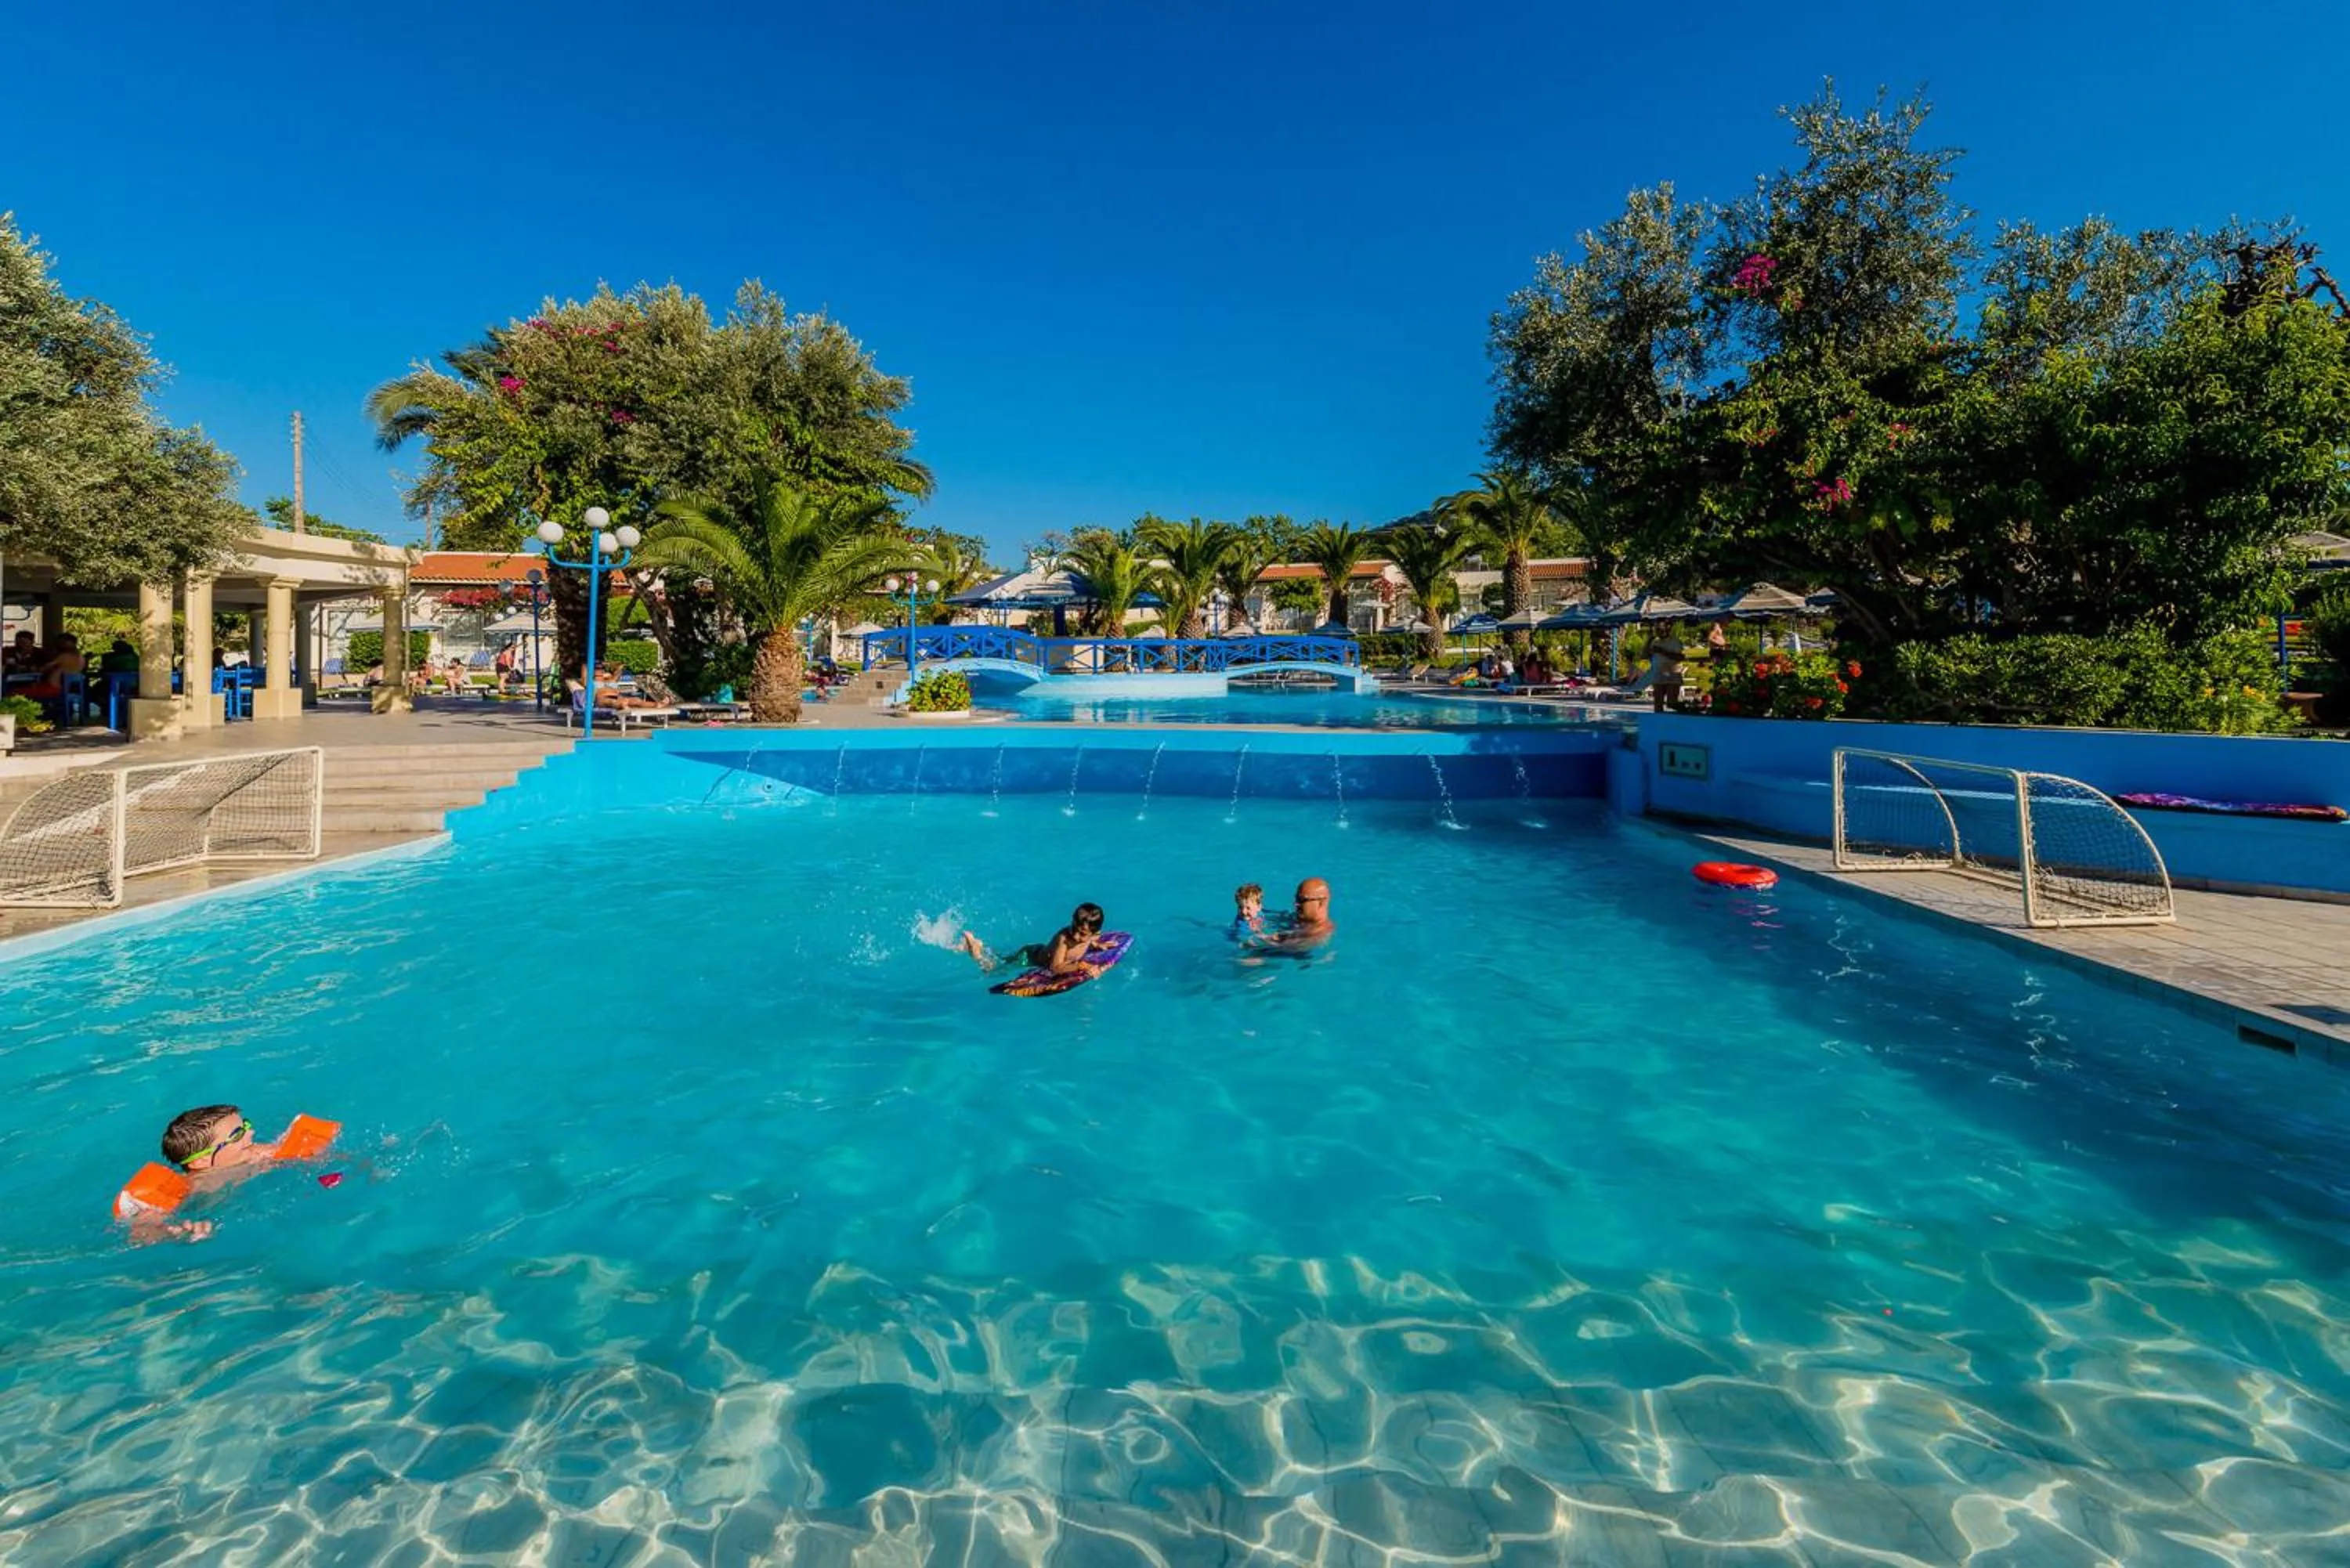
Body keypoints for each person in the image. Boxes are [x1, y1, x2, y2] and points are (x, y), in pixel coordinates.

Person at [125, 1104, 282, 1242]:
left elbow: (292, 1150)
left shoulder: (252, 1153)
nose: (251, 1133)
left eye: (245, 1126)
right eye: (237, 1135)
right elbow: (142, 1231)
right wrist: (173, 1233)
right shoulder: (188, 1186)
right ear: (201, 1161)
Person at [960, 901, 1108, 976]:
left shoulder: (1092, 937)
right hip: (1029, 957)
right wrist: (1080, 966)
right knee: (993, 970)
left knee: (1002, 958)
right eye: (1074, 928)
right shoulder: (1064, 939)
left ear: (1094, 934)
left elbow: (1089, 941)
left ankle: (977, 946)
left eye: (1082, 934)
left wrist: (1096, 945)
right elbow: (1055, 968)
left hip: (1039, 950)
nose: (1075, 935)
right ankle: (976, 951)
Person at [1247, 878, 1336, 954]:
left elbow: (1284, 948)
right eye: (1296, 899)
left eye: (1302, 900)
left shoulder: (1318, 933)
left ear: (1321, 903)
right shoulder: (1301, 918)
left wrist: (1258, 934)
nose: (1296, 904)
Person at [20, 632, 85, 701]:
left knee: (16, 692)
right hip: (69, 689)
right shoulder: (81, 658)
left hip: (54, 689)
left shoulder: (63, 657)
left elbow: (44, 669)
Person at [1647, 630, 1687, 713]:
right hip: (1659, 674)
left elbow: (1681, 657)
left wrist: (1663, 652)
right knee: (1658, 703)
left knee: (1672, 703)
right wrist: (1648, 641)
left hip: (1673, 674)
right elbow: (1645, 656)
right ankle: (1658, 722)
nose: (1659, 631)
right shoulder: (1655, 642)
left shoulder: (1675, 642)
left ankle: (1681, 717)